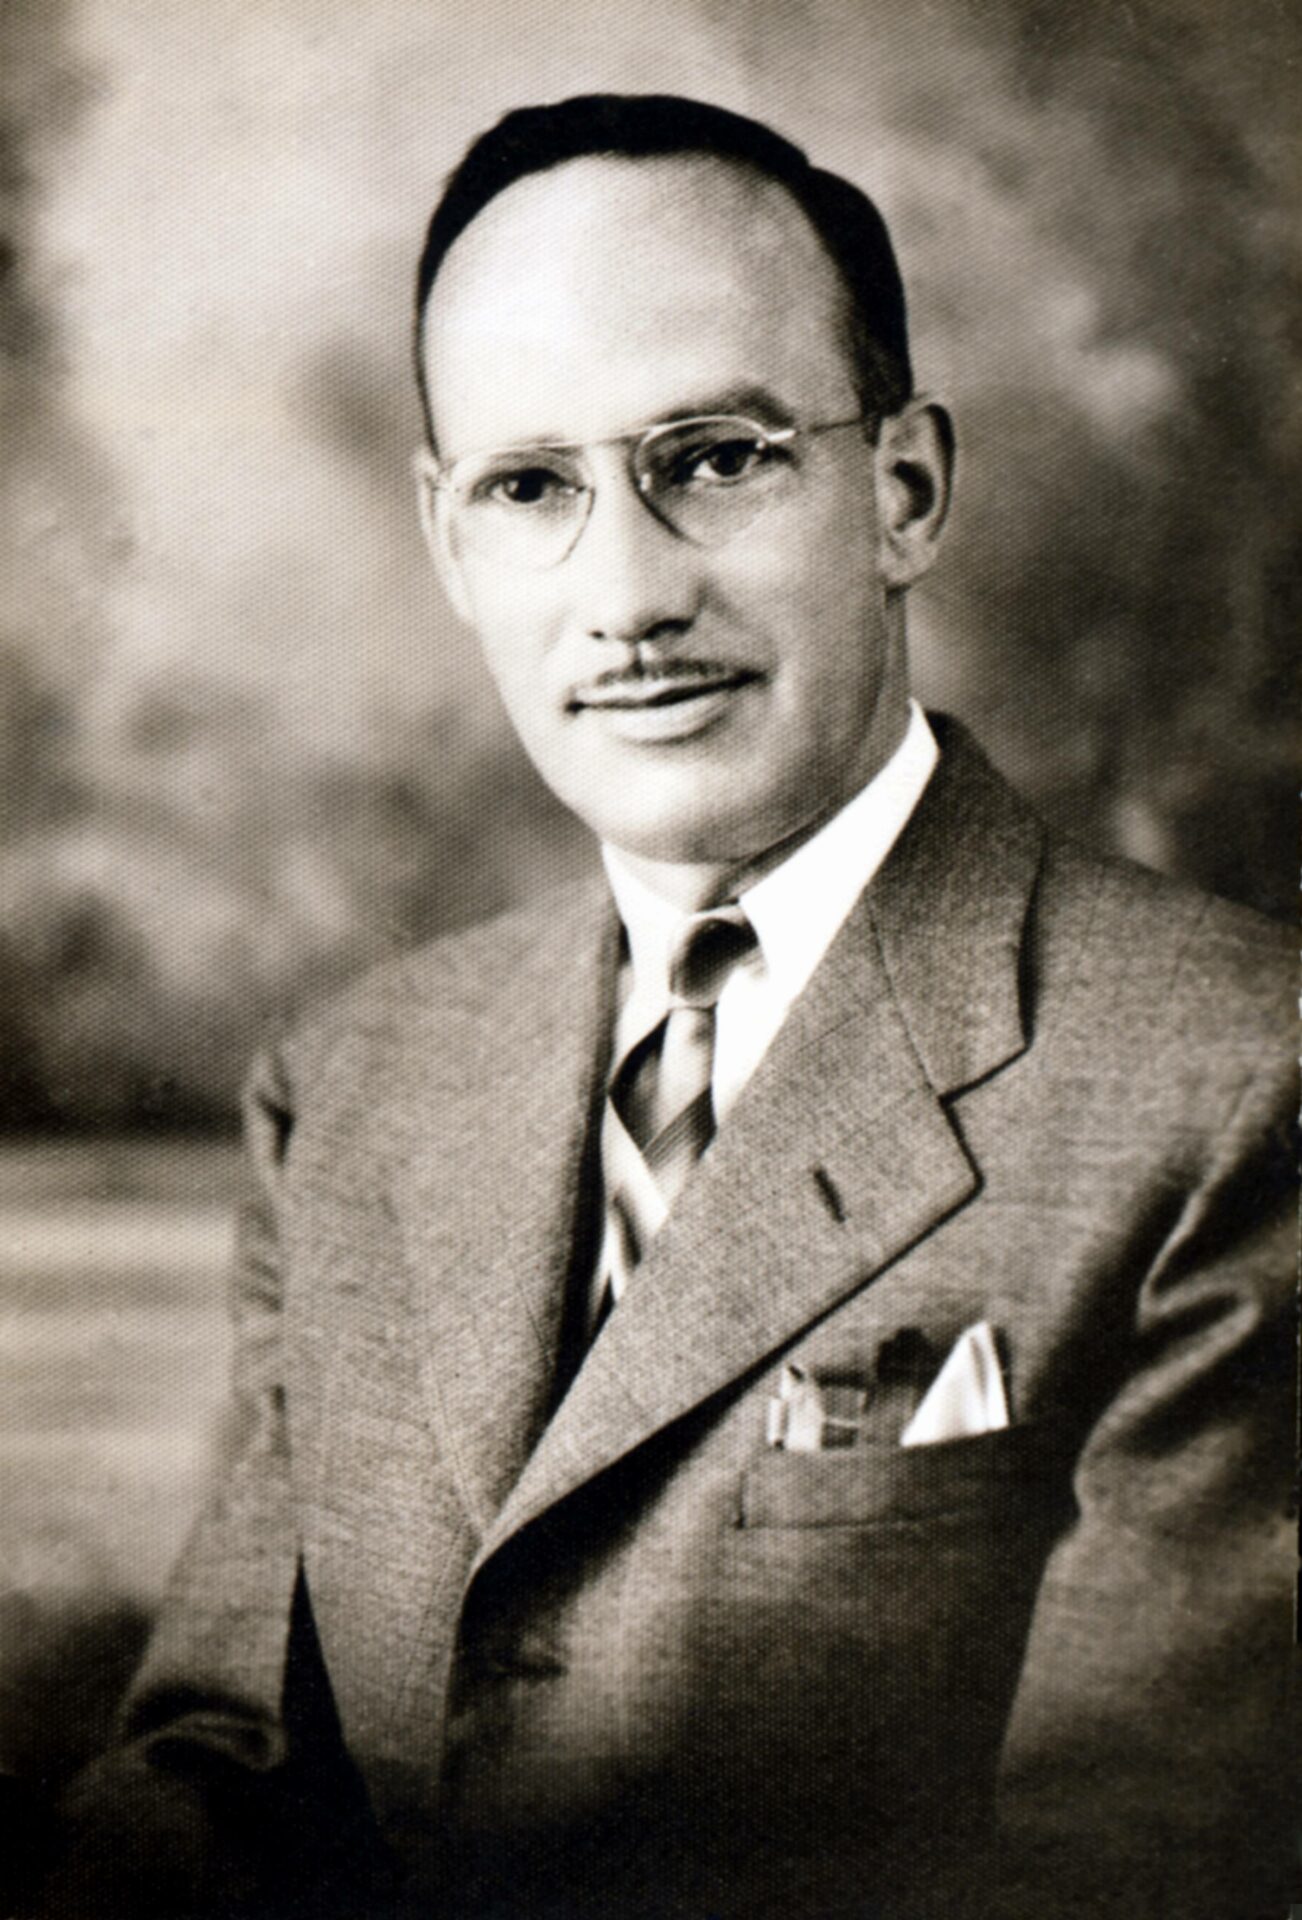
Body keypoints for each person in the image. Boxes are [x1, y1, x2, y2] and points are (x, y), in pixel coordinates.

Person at [31, 94, 1295, 1920]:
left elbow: (1118, 1873)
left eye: (714, 458)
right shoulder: (354, 1082)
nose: (624, 594)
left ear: (904, 491)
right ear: (453, 545)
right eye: (531, 489)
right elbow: (220, 1784)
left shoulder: (1235, 1082)